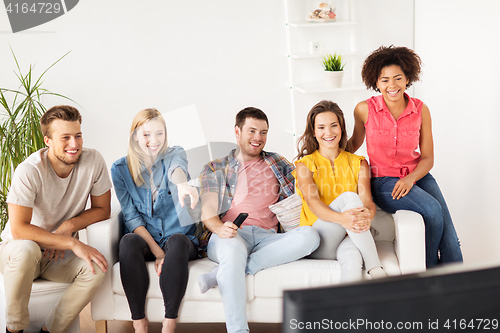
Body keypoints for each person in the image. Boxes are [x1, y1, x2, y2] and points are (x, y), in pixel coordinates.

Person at [196, 107, 320, 333]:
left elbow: (307, 184)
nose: (258, 138)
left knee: (311, 236)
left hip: (268, 237)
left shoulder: (278, 162)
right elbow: (208, 213)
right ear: (237, 131)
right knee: (232, 251)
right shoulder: (216, 167)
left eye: (263, 132)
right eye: (252, 131)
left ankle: (225, 272)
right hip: (231, 235)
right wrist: (220, 228)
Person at [348, 45, 463, 268]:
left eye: (398, 78)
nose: (392, 85)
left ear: (408, 77)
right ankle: (428, 273)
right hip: (383, 181)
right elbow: (353, 144)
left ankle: (458, 286)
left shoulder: (421, 110)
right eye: (384, 80)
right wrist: (322, 150)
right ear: (376, 81)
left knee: (449, 234)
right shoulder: (364, 109)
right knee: (431, 209)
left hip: (417, 175)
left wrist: (411, 178)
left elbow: (428, 157)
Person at [0, 105, 111, 333]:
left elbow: (102, 209)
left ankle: (50, 330)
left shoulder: (93, 161)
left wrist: (70, 225)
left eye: (78, 135)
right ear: (48, 140)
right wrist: (70, 241)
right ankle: (14, 329)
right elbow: (19, 230)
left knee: (96, 269)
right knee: (27, 249)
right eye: (66, 138)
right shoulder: (29, 170)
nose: (75, 144)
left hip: (55, 256)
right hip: (17, 252)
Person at [111, 108, 199, 333]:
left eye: (159, 133)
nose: (154, 140)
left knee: (179, 240)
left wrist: (183, 185)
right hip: (147, 239)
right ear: (135, 136)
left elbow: (177, 170)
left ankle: (169, 322)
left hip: (178, 240)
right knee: (128, 241)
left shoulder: (174, 153)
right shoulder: (120, 169)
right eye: (147, 134)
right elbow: (130, 215)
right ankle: (139, 322)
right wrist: (159, 254)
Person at [294, 100, 386, 282]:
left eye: (333, 126)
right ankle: (375, 266)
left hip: (350, 235)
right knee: (350, 197)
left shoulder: (358, 163)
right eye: (321, 127)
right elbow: (313, 204)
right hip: (319, 241)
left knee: (352, 261)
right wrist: (343, 219)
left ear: (342, 128)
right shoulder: (304, 165)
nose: (328, 133)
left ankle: (349, 308)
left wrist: (366, 217)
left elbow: (367, 201)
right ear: (314, 132)